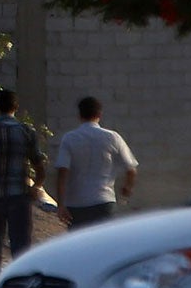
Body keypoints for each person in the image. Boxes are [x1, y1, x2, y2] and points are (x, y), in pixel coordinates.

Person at [0, 88, 44, 288]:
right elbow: (40, 166)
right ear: (16, 106)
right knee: (21, 247)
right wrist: (36, 186)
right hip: (19, 197)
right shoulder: (26, 132)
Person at [54, 96, 137, 229]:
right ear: (99, 114)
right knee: (104, 246)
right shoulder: (112, 137)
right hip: (103, 203)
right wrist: (127, 188)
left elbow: (62, 173)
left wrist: (61, 205)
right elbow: (131, 169)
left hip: (76, 205)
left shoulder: (69, 138)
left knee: (80, 247)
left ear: (80, 115)